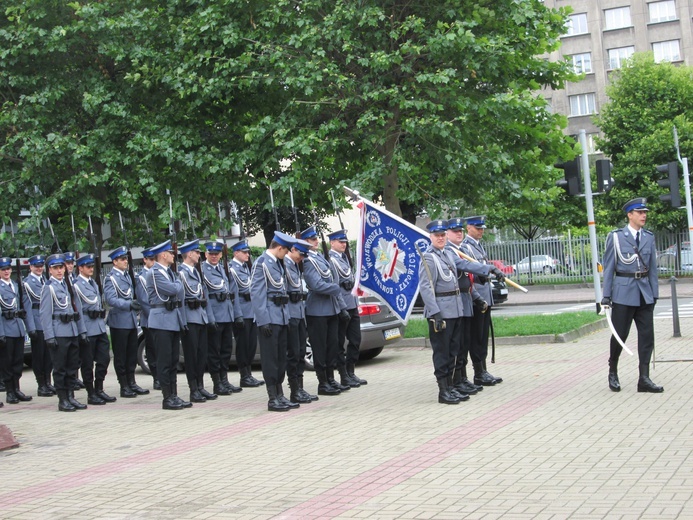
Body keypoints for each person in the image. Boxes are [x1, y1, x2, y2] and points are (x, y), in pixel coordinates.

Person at [419, 220, 503, 404]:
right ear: (430, 237)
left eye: (442, 235)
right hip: (441, 311)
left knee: (453, 351)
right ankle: (443, 391)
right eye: (437, 236)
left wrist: (489, 268)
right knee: (442, 352)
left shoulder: (448, 253)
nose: (441, 239)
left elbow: (466, 266)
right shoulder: (428, 258)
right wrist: (435, 313)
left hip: (456, 309)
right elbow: (426, 288)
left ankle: (451, 387)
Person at [601, 197, 662, 393]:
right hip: (623, 292)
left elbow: (652, 267)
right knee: (620, 334)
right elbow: (609, 267)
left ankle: (644, 378)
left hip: (644, 293)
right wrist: (606, 296)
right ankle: (613, 370)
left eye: (645, 212)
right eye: (640, 212)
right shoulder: (617, 237)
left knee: (647, 336)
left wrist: (654, 293)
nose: (644, 215)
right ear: (630, 215)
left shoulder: (649, 237)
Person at [251, 231, 298, 412]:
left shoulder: (277, 264)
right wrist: (263, 321)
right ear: (279, 248)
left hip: (281, 315)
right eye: (285, 251)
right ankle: (272, 397)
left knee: (280, 357)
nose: (286, 255)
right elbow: (257, 294)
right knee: (271, 359)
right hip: (269, 317)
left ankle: (280, 393)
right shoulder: (261, 264)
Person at [301, 226, 350, 396]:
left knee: (332, 346)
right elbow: (316, 284)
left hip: (331, 308)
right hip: (317, 310)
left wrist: (341, 306)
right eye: (312, 240)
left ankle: (330, 378)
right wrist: (336, 289)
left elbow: (330, 279)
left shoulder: (321, 257)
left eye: (316, 239)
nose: (316, 242)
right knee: (320, 348)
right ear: (306, 242)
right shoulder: (307, 260)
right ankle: (322, 382)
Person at [39, 254, 88, 411]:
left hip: (72, 330)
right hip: (59, 332)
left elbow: (76, 309)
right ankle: (62, 399)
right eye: (56, 268)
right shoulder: (49, 288)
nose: (59, 271)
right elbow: (45, 314)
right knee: (60, 368)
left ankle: (70, 396)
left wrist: (82, 331)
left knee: (72, 367)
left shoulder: (68, 285)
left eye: (61, 267)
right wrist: (49, 336)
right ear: (50, 270)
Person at [146, 240, 190, 410]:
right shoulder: (155, 273)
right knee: (164, 361)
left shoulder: (169, 273)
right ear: (163, 255)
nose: (173, 256)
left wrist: (177, 285)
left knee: (173, 361)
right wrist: (178, 284)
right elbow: (174, 290)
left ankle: (174, 394)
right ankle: (167, 397)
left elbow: (178, 289)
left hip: (172, 319)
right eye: (171, 253)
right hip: (161, 320)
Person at [462, 216, 503, 386]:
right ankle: (479, 372)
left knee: (483, 335)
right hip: (477, 297)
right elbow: (471, 273)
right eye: (478, 228)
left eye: (482, 228)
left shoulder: (477, 246)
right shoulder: (465, 247)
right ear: (469, 228)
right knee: (477, 336)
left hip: (486, 295)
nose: (481, 231)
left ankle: (483, 370)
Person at [445, 217, 485, 396]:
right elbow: (462, 266)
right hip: (456, 302)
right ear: (447, 234)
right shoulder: (448, 251)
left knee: (465, 342)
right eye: (455, 231)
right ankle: (456, 380)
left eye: (460, 231)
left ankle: (462, 378)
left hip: (466, 300)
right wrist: (487, 269)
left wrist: (477, 298)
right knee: (458, 344)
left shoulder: (461, 250)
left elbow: (467, 281)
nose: (459, 234)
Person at [104, 246, 146, 398]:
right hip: (119, 321)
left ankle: (132, 382)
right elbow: (110, 299)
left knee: (130, 354)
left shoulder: (128, 276)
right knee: (121, 356)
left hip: (131, 321)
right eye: (122, 259)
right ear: (115, 262)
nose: (125, 261)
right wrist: (128, 304)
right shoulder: (111, 278)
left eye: (126, 259)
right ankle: (124, 385)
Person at [202, 240, 244, 395]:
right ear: (206, 254)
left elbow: (233, 294)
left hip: (227, 314)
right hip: (215, 315)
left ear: (220, 255)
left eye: (216, 254)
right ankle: (217, 382)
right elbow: (205, 296)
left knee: (226, 350)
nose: (214, 257)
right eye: (211, 254)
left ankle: (224, 380)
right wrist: (210, 319)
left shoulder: (223, 269)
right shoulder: (202, 270)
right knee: (214, 351)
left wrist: (237, 315)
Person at [73, 254, 115, 405]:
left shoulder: (93, 283)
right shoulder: (76, 285)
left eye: (92, 266)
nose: (91, 269)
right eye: (88, 267)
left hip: (98, 326)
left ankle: (99, 388)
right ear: (80, 268)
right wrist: (82, 331)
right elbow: (77, 310)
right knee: (87, 363)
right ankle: (91, 393)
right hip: (87, 327)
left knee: (104, 359)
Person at [179, 239, 216, 403]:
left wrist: (209, 318)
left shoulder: (195, 272)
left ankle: (200, 386)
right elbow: (179, 300)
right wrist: (182, 321)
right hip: (189, 317)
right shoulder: (181, 273)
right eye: (196, 252)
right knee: (191, 355)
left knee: (201, 355)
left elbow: (204, 296)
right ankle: (193, 389)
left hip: (200, 317)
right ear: (189, 254)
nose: (199, 255)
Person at [328, 229, 367, 388]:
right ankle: (343, 375)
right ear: (332, 243)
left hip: (352, 303)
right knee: (339, 343)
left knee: (356, 339)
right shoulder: (330, 260)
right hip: (341, 306)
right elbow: (334, 285)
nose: (344, 244)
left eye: (345, 242)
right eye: (340, 242)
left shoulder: (344, 258)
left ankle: (351, 371)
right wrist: (341, 307)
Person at [284, 238, 317, 403]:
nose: (302, 258)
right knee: (293, 353)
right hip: (290, 314)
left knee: (301, 352)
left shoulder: (295, 266)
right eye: (300, 254)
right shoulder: (284, 265)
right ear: (292, 250)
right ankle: (294, 390)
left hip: (299, 313)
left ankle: (300, 388)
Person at [229, 240, 263, 387]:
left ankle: (249, 374)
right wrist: (238, 315)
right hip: (242, 311)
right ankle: (244, 375)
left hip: (251, 311)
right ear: (236, 253)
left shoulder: (246, 268)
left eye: (248, 252)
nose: (247, 254)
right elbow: (235, 293)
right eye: (244, 252)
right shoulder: (232, 269)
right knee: (243, 345)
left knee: (251, 345)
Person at [0, 256, 32, 405]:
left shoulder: (15, 284)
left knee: (18, 361)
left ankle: (17, 389)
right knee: (7, 362)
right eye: (3, 269)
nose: (6, 271)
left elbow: (22, 307)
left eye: (8, 269)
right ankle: (10, 392)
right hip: (6, 329)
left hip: (18, 328)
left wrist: (28, 328)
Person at [23, 254, 55, 397]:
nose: (39, 268)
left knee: (49, 356)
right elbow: (27, 306)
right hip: (37, 322)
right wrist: (31, 327)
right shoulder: (27, 283)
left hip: (47, 323)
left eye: (41, 266)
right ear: (30, 267)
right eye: (36, 266)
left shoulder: (46, 281)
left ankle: (48, 382)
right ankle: (41, 384)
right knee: (38, 356)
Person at [135, 247, 159, 390]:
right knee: (152, 349)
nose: (152, 262)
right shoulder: (141, 277)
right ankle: (156, 377)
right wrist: (154, 317)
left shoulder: (157, 274)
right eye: (150, 259)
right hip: (149, 318)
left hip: (159, 318)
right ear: (144, 260)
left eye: (154, 259)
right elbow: (143, 300)